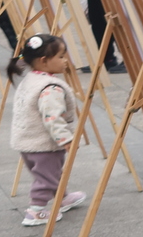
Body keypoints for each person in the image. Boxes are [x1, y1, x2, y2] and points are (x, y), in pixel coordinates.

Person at [9, 34, 88, 226]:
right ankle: (35, 211)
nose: (65, 61)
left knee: (50, 174)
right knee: (46, 179)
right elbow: (52, 117)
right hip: (43, 144)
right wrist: (65, 139)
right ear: (44, 61)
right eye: (61, 56)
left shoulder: (32, 78)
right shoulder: (49, 87)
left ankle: (62, 197)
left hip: (27, 141)